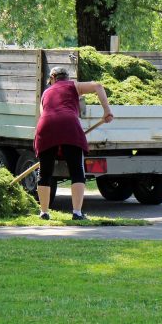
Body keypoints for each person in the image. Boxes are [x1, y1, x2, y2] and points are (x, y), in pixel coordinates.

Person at [34, 67, 113, 220]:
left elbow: (43, 114)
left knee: (45, 172)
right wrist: (106, 111)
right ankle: (77, 213)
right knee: (76, 170)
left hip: (46, 125)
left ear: (52, 78)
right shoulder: (73, 85)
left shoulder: (45, 93)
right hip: (69, 123)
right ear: (67, 77)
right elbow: (98, 86)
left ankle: (44, 212)